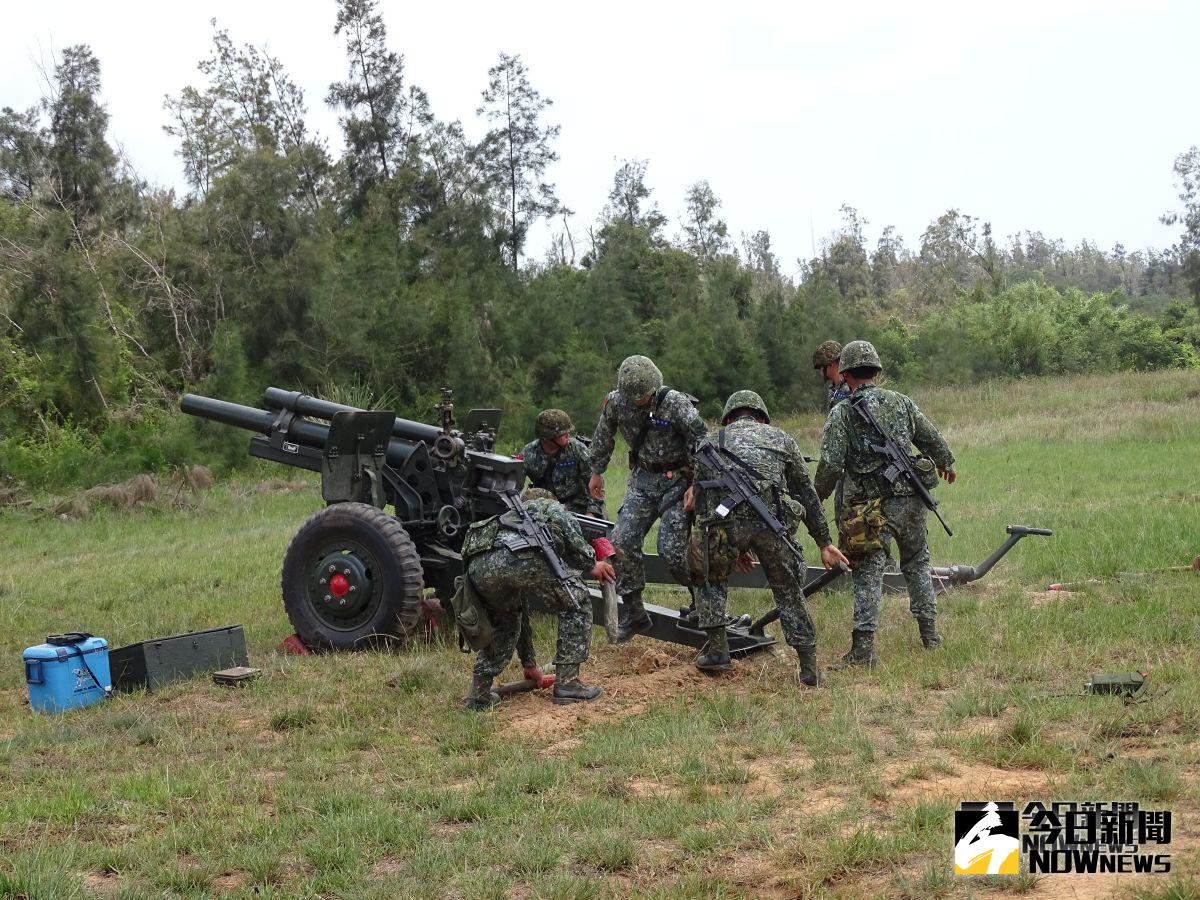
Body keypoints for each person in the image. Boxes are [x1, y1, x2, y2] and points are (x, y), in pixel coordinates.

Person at [687, 391, 849, 686]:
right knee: (789, 593)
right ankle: (809, 669)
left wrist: (728, 547)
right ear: (762, 417)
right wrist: (824, 542)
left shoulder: (709, 441)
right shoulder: (781, 439)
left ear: (728, 418)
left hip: (724, 525)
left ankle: (718, 651)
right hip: (771, 527)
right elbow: (806, 495)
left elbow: (701, 500)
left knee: (708, 578)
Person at [813, 341, 957, 666]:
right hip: (910, 501)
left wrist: (817, 495)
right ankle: (930, 635)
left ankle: (863, 650)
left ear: (846, 373)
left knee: (868, 571)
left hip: (869, 507)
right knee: (918, 562)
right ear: (876, 371)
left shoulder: (843, 412)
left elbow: (832, 465)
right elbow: (929, 436)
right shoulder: (901, 402)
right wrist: (945, 462)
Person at [460, 488, 615, 710]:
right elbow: (574, 541)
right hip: (519, 560)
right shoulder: (550, 507)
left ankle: (479, 695)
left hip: (480, 567)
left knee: (507, 623)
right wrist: (592, 564)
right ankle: (568, 685)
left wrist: (530, 664)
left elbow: (521, 617)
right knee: (576, 602)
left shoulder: (508, 520)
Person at [587, 355, 707, 642]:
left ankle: (703, 604)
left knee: (672, 550)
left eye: (644, 396)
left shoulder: (676, 403)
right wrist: (596, 472)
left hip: (677, 482)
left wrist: (696, 484)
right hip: (642, 480)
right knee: (621, 543)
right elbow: (603, 437)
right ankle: (635, 612)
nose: (639, 401)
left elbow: (703, 443)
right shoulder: (616, 402)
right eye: (634, 397)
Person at [519, 409, 604, 518]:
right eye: (563, 433)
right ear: (547, 437)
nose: (568, 435)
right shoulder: (528, 453)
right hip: (545, 508)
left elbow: (595, 485)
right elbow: (514, 487)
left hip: (577, 507)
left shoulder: (577, 449)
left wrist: (591, 512)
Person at [813, 340, 851, 412]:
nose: (820, 371)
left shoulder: (850, 388)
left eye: (820, 367)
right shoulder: (834, 389)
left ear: (831, 364)